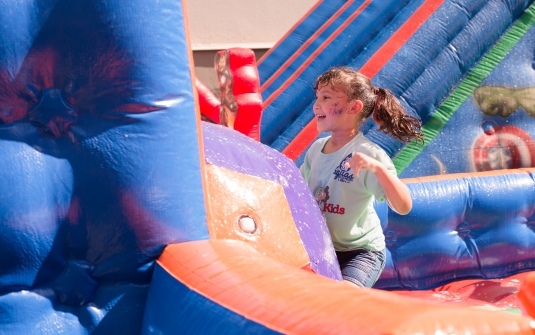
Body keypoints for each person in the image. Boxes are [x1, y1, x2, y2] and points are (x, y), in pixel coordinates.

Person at [300, 67, 423, 287]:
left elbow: (404, 206)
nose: (316, 105)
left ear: (353, 107)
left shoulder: (369, 155)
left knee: (344, 298)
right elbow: (297, 191)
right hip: (323, 248)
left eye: (326, 97)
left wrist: (379, 169)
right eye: (317, 97)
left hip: (360, 252)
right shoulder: (316, 150)